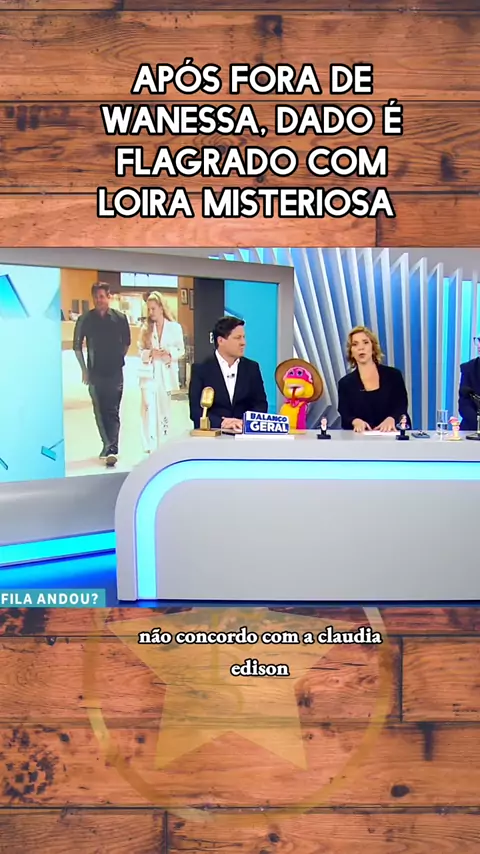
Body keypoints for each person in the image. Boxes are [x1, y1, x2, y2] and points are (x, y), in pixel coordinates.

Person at [73, 282, 131, 467]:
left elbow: (127, 343)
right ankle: (106, 444)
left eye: (102, 296)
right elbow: (77, 346)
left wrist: (117, 358)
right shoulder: (85, 319)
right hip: (95, 372)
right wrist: (84, 370)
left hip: (115, 372)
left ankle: (112, 447)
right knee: (99, 411)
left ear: (109, 297)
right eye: (96, 297)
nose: (99, 300)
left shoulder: (120, 318)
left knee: (112, 410)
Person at [189, 316, 268, 432]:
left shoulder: (252, 368)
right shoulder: (201, 369)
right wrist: (222, 423)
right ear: (221, 341)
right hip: (213, 435)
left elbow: (261, 405)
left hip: (244, 434)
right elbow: (195, 411)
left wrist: (244, 422)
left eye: (244, 337)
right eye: (237, 338)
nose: (243, 343)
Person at [337, 325, 409, 432]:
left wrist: (392, 419)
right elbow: (345, 414)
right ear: (351, 352)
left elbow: (401, 405)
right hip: (362, 438)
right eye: (355, 344)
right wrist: (355, 421)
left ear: (373, 348)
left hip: (392, 434)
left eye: (365, 342)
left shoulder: (393, 375)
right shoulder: (345, 384)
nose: (361, 348)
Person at [138, 291, 185, 452]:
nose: (151, 312)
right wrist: (150, 353)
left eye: (153, 309)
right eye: (149, 309)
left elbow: (181, 350)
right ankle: (149, 443)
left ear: (161, 308)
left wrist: (169, 352)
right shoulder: (146, 329)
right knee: (148, 407)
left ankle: (163, 441)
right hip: (149, 374)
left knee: (164, 409)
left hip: (165, 373)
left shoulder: (174, 328)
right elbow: (140, 351)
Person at [458, 338, 480, 431]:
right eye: (479, 340)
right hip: (471, 429)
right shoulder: (469, 368)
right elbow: (464, 404)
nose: (479, 345)